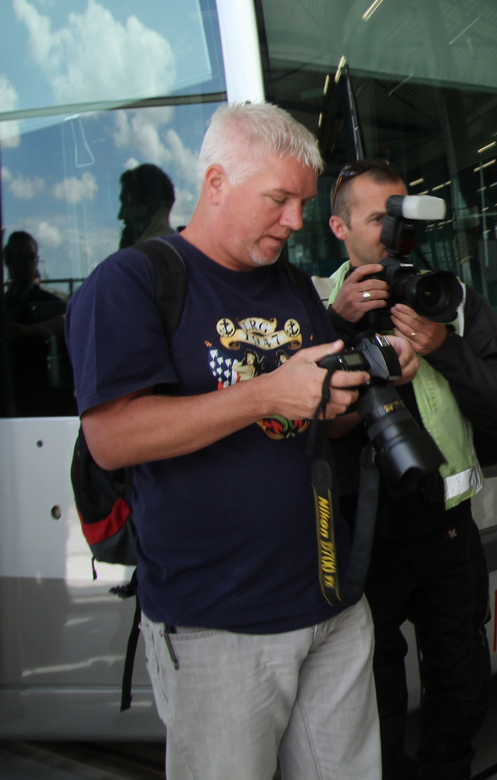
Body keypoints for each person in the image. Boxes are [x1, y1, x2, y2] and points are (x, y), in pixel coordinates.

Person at [66, 102, 418, 780]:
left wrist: (369, 383)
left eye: (303, 203)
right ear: (217, 183)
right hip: (215, 625)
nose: (295, 220)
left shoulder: (290, 284)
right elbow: (111, 437)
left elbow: (321, 421)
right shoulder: (132, 281)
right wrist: (264, 394)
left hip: (331, 602)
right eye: (279, 199)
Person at [323, 158, 497, 780]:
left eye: (403, 218)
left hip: (447, 530)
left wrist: (444, 347)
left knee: (461, 679)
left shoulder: (449, 299)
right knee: (371, 691)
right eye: (377, 220)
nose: (394, 234)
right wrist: (339, 324)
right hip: (364, 538)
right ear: (338, 227)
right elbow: (296, 428)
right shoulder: (312, 306)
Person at [2, 230, 70, 415]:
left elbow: (69, 324)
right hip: (7, 396)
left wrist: (32, 330)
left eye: (31, 257)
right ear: (7, 261)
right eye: (20, 257)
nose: (26, 263)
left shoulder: (52, 304)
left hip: (45, 396)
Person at [118, 162, 177, 248]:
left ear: (151, 206)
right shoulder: (185, 252)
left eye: (128, 204)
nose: (120, 216)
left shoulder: (138, 253)